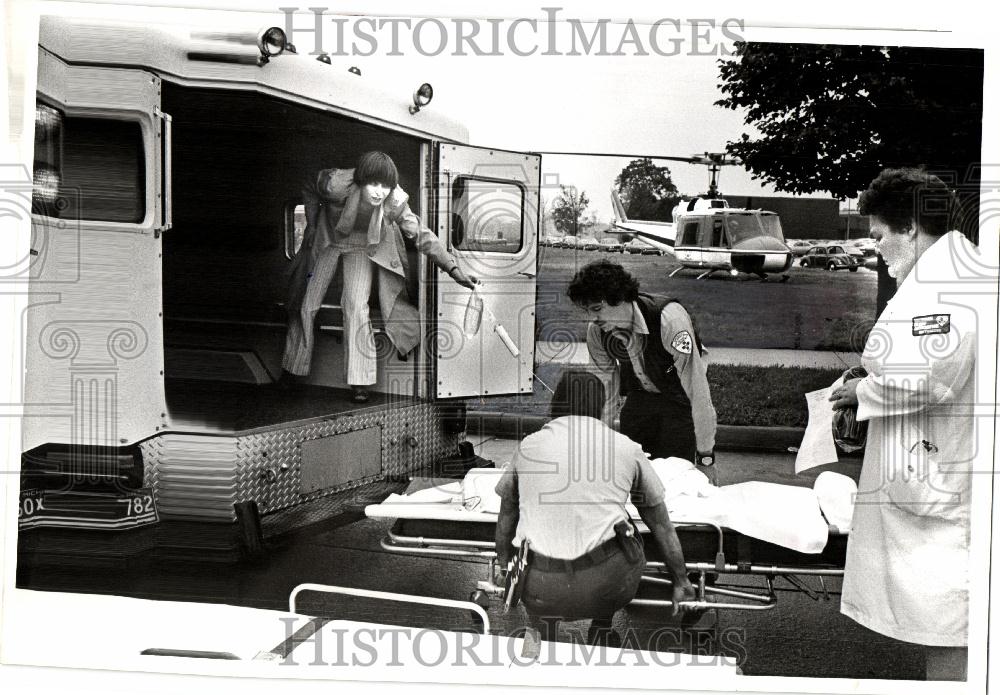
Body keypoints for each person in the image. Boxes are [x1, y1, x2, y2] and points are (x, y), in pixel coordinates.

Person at [828, 168, 986, 681]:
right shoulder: (938, 276)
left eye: (879, 236)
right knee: (941, 620)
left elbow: (933, 376)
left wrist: (862, 392)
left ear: (912, 228)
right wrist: (869, 377)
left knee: (950, 623)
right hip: (930, 465)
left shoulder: (950, 283)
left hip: (942, 483)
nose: (877, 250)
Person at [494, 369, 696, 647]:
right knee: (625, 523)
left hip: (540, 586)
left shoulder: (529, 445)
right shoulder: (626, 447)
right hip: (607, 586)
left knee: (529, 532)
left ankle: (541, 630)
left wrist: (503, 566)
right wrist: (682, 580)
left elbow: (506, 516)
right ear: (599, 406)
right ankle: (601, 626)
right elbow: (661, 524)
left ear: (558, 402)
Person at [281, 152, 476, 402]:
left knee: (355, 306)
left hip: (363, 245)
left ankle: (359, 381)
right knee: (307, 304)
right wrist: (311, 223)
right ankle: (292, 368)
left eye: (385, 186)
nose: (379, 192)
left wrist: (453, 269)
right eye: (374, 184)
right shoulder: (336, 183)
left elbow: (422, 234)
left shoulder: (394, 201)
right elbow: (309, 184)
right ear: (361, 181)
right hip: (329, 239)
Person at [567, 260, 717, 472]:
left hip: (678, 398)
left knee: (677, 478)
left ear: (619, 298)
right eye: (587, 311)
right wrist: (599, 447)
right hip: (639, 400)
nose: (593, 318)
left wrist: (706, 457)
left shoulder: (669, 320)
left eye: (597, 309)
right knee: (632, 474)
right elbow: (604, 394)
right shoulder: (597, 332)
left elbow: (698, 392)